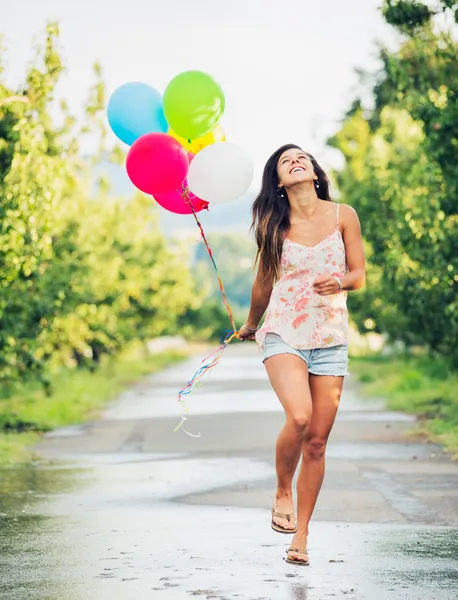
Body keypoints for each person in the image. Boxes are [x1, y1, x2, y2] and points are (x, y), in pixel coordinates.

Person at [238, 144, 366, 566]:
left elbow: (359, 274)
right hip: (283, 330)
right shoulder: (275, 226)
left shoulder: (343, 215)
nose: (295, 161)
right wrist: (252, 324)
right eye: (284, 161)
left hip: (329, 336)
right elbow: (263, 282)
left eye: (301, 158)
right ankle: (281, 489)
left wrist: (342, 283)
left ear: (314, 172)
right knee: (299, 416)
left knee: (316, 442)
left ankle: (302, 537)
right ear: (278, 181)